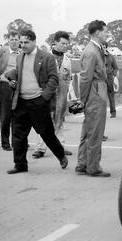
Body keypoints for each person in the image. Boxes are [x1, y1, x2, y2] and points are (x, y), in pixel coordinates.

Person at [5, 29, 67, 174]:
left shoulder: (46, 57)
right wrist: (13, 80)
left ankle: (61, 155)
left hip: (38, 102)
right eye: (21, 42)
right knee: (18, 135)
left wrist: (43, 98)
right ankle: (20, 165)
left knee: (47, 133)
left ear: (34, 41)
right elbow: (21, 74)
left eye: (26, 42)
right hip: (21, 102)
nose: (23, 45)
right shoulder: (20, 57)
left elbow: (53, 79)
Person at [75, 20, 110, 177]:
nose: (107, 34)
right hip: (95, 91)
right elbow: (85, 78)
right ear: (98, 33)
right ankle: (93, 167)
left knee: (88, 129)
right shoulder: (91, 51)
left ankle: (82, 163)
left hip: (95, 90)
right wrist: (83, 99)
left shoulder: (95, 49)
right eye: (105, 32)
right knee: (95, 130)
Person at [32, 31, 74, 159]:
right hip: (47, 92)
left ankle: (60, 146)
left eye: (67, 44)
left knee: (59, 119)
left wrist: (71, 96)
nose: (65, 46)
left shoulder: (67, 60)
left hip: (62, 92)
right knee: (45, 120)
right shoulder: (44, 57)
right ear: (55, 43)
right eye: (62, 43)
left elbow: (69, 79)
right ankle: (40, 148)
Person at [0, 32, 20, 151]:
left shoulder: (22, 54)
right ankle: (5, 143)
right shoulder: (0, 51)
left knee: (18, 115)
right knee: (6, 114)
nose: (15, 42)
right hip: (4, 84)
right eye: (12, 39)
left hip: (18, 86)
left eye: (17, 40)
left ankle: (18, 141)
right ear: (8, 40)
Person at [104, 43, 118, 118]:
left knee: (111, 96)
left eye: (104, 47)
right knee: (100, 96)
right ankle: (100, 112)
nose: (102, 48)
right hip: (100, 78)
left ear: (106, 47)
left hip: (109, 77)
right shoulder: (97, 56)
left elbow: (115, 67)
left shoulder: (111, 56)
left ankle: (113, 112)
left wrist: (113, 74)